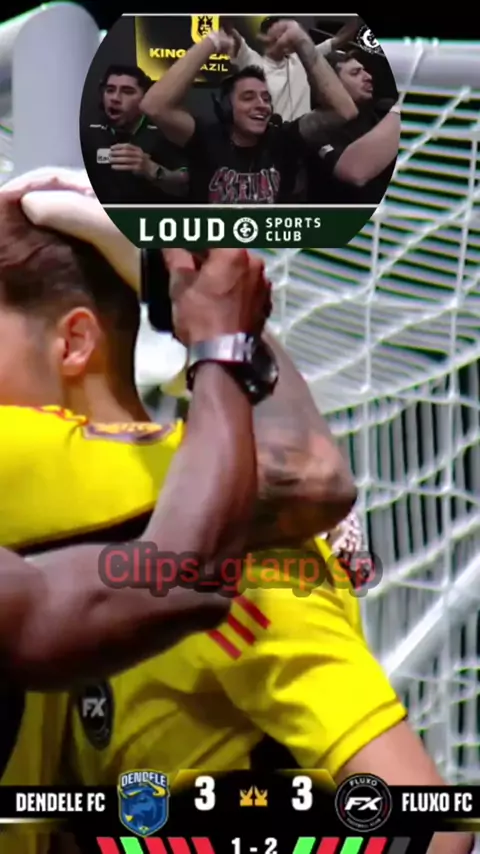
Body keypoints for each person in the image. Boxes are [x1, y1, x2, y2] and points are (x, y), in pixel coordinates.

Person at [14, 188, 467, 854]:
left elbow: (430, 825)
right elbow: (309, 470)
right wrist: (204, 314)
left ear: (76, 343)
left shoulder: (246, 568)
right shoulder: (70, 545)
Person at [140, 21, 358, 204]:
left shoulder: (284, 139)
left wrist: (301, 39)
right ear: (227, 106)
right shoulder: (205, 137)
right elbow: (154, 106)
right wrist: (211, 43)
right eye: (248, 97)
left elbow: (345, 111)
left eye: (266, 98)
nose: (262, 104)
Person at [81, 64, 188, 204]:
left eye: (127, 92)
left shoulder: (165, 132)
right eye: (110, 90)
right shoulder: (88, 132)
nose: (115, 98)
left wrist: (151, 169)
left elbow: (185, 183)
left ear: (144, 98)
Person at [225, 16, 362, 121]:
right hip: (271, 139)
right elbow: (228, 29)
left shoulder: (302, 59)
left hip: (303, 136)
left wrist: (355, 18)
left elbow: (340, 39)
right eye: (278, 34)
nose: (286, 38)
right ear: (266, 38)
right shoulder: (252, 62)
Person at [310, 50, 401, 204]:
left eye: (364, 71)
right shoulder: (314, 130)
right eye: (355, 73)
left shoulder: (382, 112)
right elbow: (356, 172)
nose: (368, 77)